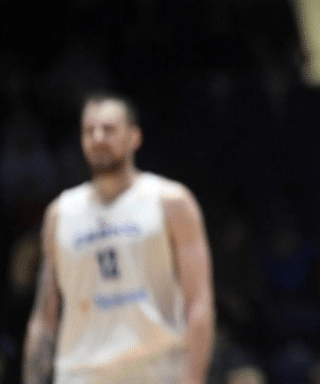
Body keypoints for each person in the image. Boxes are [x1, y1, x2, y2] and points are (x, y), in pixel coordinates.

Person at [22, 92, 214, 384]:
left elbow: (199, 303)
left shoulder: (171, 202)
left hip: (157, 372)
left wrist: (193, 379)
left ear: (135, 137)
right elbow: (44, 314)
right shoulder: (60, 214)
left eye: (109, 129)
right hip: (79, 374)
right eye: (89, 131)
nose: (98, 138)